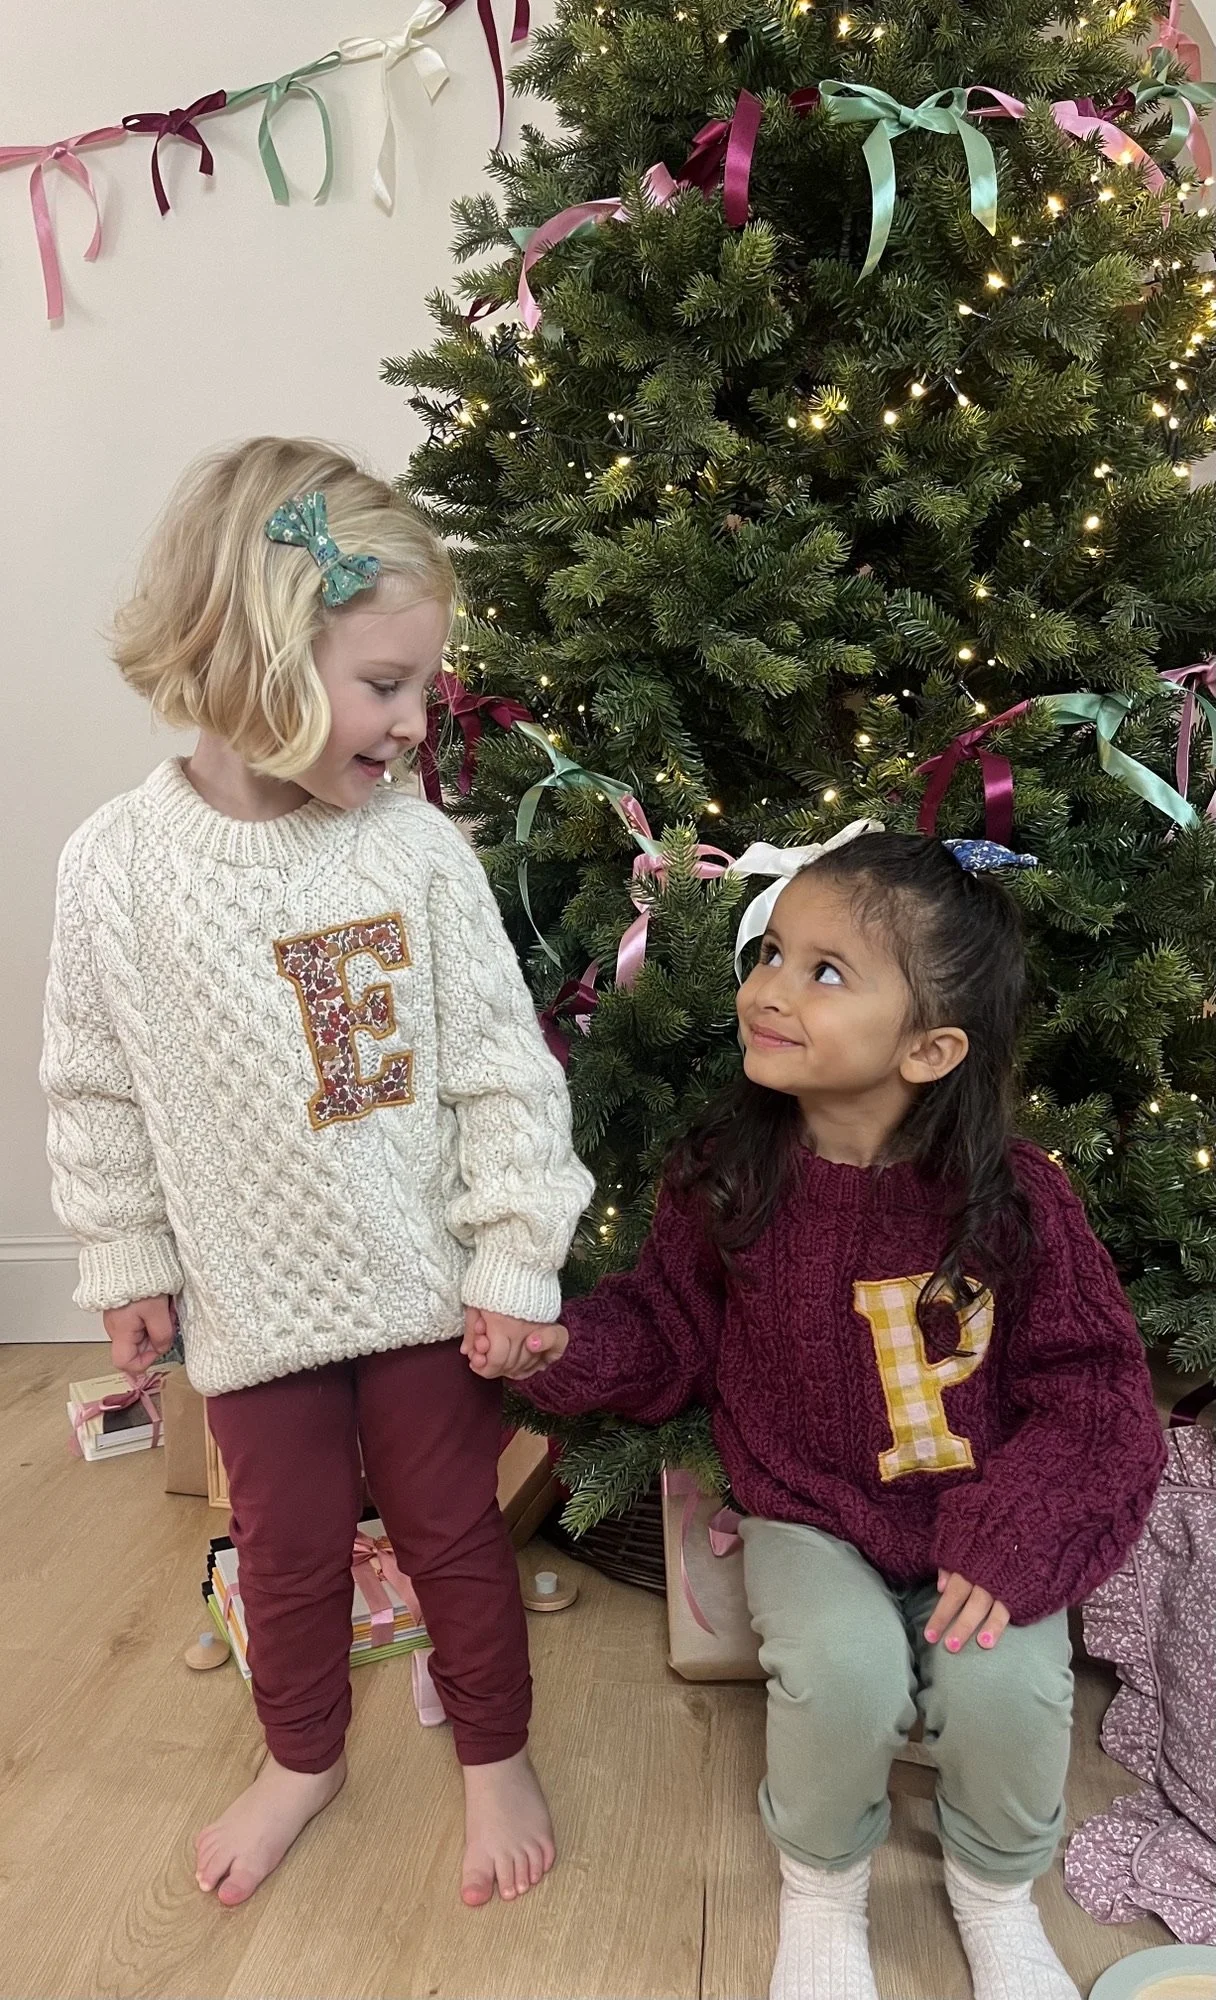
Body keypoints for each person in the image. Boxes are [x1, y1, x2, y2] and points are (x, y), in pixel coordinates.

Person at [468, 829, 1166, 2000]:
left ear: (930, 1046)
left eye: (824, 971)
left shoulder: (1018, 1200)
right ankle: (824, 1886)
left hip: (983, 1524)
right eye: (771, 953)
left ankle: (994, 1895)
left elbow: (1097, 1393)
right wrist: (563, 1346)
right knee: (841, 1673)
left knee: (1008, 1689)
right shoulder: (728, 1173)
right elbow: (667, 1324)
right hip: (809, 1507)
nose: (769, 989)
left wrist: (1015, 1529)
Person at [42, 437, 593, 1911]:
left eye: (424, 684)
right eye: (386, 684)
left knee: (452, 1533)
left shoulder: (416, 855)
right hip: (247, 1305)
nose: (417, 721)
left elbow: (502, 1073)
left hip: (424, 1293)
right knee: (282, 1553)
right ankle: (304, 1757)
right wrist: (125, 1259)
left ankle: (494, 1751)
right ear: (257, 661)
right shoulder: (114, 866)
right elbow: (94, 1088)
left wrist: (512, 1260)